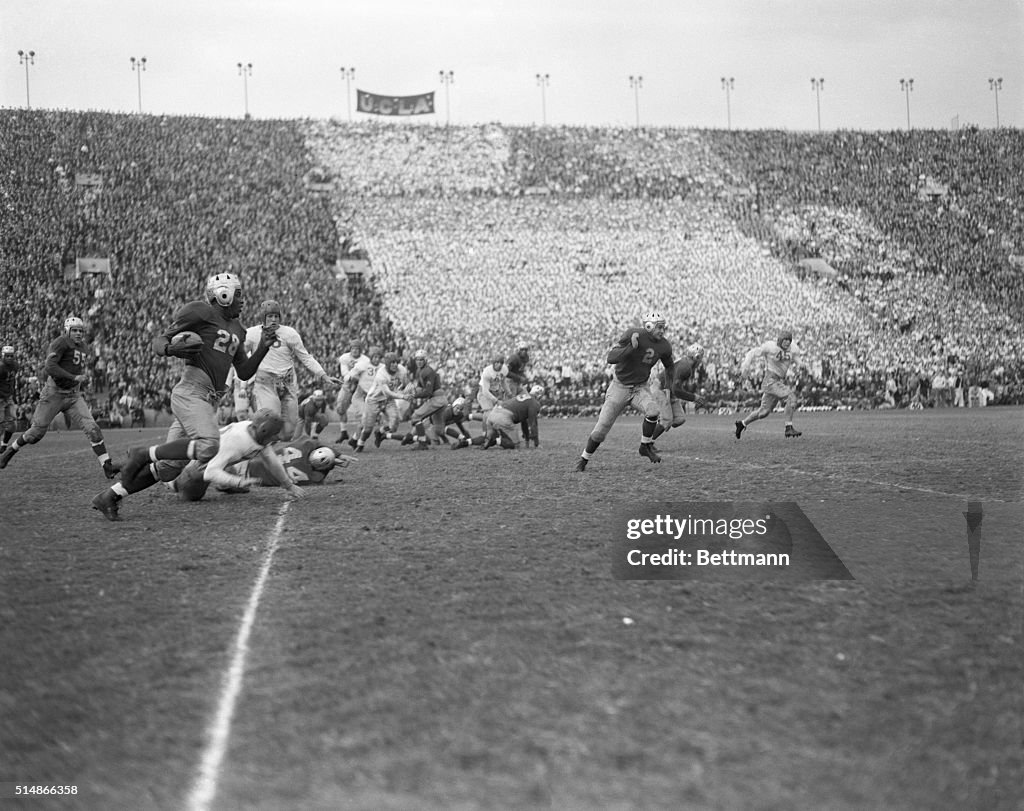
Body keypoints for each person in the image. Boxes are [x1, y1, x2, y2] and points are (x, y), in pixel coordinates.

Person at [91, 272, 277, 521]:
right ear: (223, 295)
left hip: (206, 401)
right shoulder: (200, 312)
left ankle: (109, 497)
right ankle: (141, 455)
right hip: (191, 391)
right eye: (239, 294)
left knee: (169, 469)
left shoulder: (238, 329)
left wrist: (263, 347)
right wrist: (169, 348)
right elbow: (160, 340)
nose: (243, 300)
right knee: (209, 445)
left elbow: (243, 372)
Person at [1, 317, 120, 478]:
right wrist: (73, 377)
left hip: (73, 395)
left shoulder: (84, 347)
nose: (78, 333)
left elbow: (74, 367)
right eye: (75, 330)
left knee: (93, 428)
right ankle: (10, 450)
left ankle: (107, 465)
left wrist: (78, 381)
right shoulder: (60, 343)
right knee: (35, 434)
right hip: (54, 393)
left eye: (80, 330)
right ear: (67, 330)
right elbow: (50, 366)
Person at [573, 311, 674, 472]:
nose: (662, 331)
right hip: (620, 387)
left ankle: (645, 445)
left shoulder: (664, 345)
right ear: (648, 326)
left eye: (664, 327)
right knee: (600, 431)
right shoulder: (633, 334)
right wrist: (630, 348)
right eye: (659, 327)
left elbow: (670, 367)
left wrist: (668, 388)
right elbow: (611, 358)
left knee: (653, 411)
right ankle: (584, 459)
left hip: (640, 387)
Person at [245, 299, 340, 440]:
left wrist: (323, 375)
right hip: (266, 383)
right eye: (270, 316)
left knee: (288, 433)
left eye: (276, 316)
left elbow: (306, 357)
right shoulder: (252, 334)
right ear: (263, 317)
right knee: (271, 422)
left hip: (288, 383)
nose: (273, 319)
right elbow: (239, 356)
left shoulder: (289, 333)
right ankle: (257, 450)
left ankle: (264, 444)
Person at [169, 408, 307, 502]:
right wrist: (238, 481)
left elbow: (271, 460)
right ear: (264, 430)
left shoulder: (253, 433)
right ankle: (170, 480)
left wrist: (288, 485)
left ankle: (225, 482)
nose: (276, 437)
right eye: (274, 433)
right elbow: (210, 473)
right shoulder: (237, 442)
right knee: (191, 496)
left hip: (219, 459)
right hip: (198, 470)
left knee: (229, 468)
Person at [734, 330, 803, 439]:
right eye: (785, 340)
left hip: (777, 381)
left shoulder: (793, 349)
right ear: (780, 340)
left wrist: (801, 364)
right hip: (770, 381)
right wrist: (745, 367)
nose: (787, 343)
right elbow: (752, 352)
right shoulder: (771, 347)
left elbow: (796, 358)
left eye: (789, 340)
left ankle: (742, 424)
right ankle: (788, 427)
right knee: (791, 397)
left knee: (763, 412)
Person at [227, 434, 356, 487]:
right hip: (250, 476)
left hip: (249, 461)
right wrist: (333, 461)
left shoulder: (305, 445)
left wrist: (336, 455)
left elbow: (314, 442)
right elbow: (319, 476)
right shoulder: (310, 476)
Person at [650, 343, 709, 451]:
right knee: (667, 420)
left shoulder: (685, 364)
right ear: (696, 357)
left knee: (679, 419)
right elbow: (676, 390)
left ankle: (660, 423)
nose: (701, 361)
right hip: (661, 388)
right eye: (700, 357)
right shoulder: (685, 367)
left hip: (667, 389)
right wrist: (693, 397)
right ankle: (648, 443)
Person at [353, 352, 409, 452]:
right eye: (392, 362)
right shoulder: (381, 374)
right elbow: (387, 392)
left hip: (388, 400)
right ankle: (360, 443)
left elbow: (405, 383)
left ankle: (379, 432)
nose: (395, 365)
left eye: (396, 362)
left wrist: (407, 389)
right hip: (374, 400)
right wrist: (402, 396)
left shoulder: (402, 370)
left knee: (394, 423)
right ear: (387, 364)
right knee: (368, 428)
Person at [397, 349, 449, 450]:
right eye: (417, 359)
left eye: (421, 359)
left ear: (425, 360)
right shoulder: (420, 371)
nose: (419, 362)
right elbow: (420, 388)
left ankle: (422, 442)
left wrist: (413, 395)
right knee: (439, 430)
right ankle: (455, 440)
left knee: (416, 416)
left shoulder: (427, 371)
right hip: (440, 399)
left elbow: (427, 392)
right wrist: (409, 389)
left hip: (436, 399)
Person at [339, 345, 382, 441]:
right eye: (374, 357)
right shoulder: (363, 364)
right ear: (371, 357)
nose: (376, 359)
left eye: (378, 357)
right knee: (364, 417)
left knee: (367, 421)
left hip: (371, 397)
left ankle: (355, 439)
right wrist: (349, 377)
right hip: (360, 394)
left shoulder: (382, 367)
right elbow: (349, 375)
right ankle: (355, 439)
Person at [482, 385, 544, 449]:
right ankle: (495, 440)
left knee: (486, 438)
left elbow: (524, 422)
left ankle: (472, 441)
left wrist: (527, 441)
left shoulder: (523, 396)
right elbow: (533, 424)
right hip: (503, 417)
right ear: (539, 395)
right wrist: (537, 444)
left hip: (493, 413)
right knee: (515, 445)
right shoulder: (534, 403)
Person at [333, 338, 369, 437]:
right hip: (348, 385)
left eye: (357, 348)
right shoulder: (344, 357)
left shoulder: (365, 360)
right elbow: (344, 373)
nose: (355, 350)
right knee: (340, 409)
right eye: (353, 348)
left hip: (360, 386)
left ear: (360, 350)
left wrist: (353, 375)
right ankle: (343, 432)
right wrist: (352, 375)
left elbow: (364, 376)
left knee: (362, 413)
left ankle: (357, 436)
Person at [0, 345, 19, 455]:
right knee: (1, 424)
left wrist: (13, 395)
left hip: (9, 397)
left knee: (13, 424)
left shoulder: (15, 365)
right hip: (0, 398)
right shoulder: (1, 367)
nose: (9, 358)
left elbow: (12, 381)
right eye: (7, 356)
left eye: (11, 356)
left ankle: (4, 444)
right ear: (3, 355)